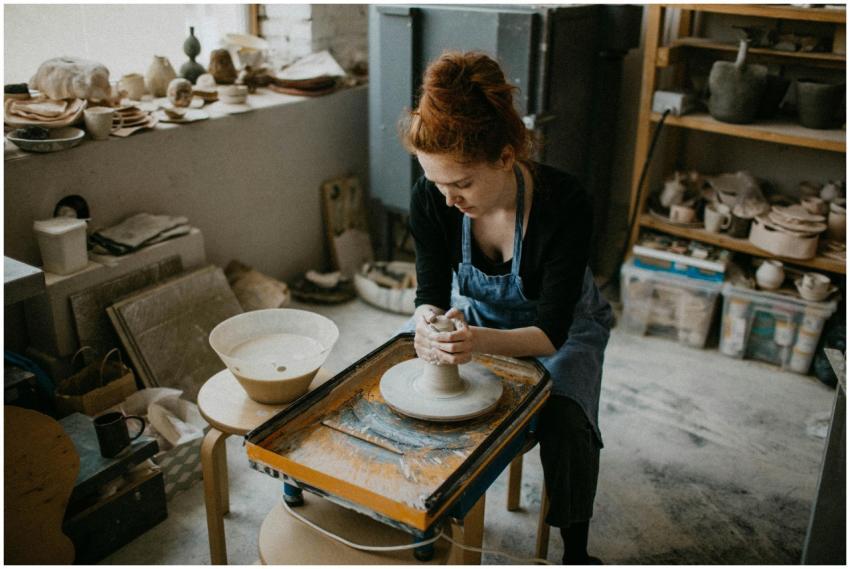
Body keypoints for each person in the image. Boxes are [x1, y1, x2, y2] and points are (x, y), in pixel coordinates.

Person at [399, 51, 614, 564]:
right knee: (406, 384)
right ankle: (419, 512)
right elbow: (430, 292)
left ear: (505, 155)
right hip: (478, 317)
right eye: (438, 183)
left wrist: (473, 344)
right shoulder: (431, 199)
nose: (448, 200)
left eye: (462, 184)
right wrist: (427, 324)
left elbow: (550, 334)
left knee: (565, 420)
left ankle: (576, 552)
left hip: (564, 328)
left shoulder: (565, 202)